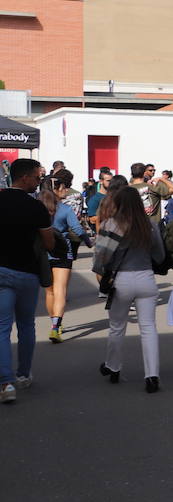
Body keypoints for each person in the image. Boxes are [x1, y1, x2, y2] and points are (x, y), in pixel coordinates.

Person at [92, 187, 166, 392]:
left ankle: (113, 367)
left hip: (121, 279)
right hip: (146, 278)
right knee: (149, 328)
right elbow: (160, 255)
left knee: (117, 326)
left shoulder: (111, 224)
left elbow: (101, 258)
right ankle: (152, 376)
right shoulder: (149, 225)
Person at [0, 159, 54, 402]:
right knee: (26, 325)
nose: (38, 182)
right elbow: (49, 242)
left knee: (2, 328)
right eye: (36, 177)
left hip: (1, 271)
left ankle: (5, 384)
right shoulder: (36, 208)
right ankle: (23, 374)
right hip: (27, 273)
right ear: (24, 177)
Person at [40, 174, 89, 343]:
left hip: (43, 253)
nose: (66, 190)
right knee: (61, 289)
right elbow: (77, 227)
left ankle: (53, 321)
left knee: (50, 291)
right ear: (56, 189)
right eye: (63, 188)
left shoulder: (36, 207)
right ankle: (56, 327)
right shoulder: (65, 209)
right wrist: (88, 241)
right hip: (62, 251)